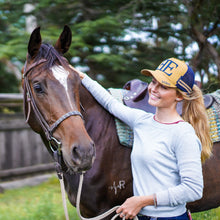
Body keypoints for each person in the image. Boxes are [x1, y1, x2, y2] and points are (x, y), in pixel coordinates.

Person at [72, 57, 212, 220]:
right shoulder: (141, 121)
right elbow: (110, 103)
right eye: (153, 82)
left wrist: (142, 201)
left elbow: (193, 189)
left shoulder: (183, 133)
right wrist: (81, 76)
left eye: (164, 86)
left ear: (179, 96)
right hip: (142, 217)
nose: (153, 89)